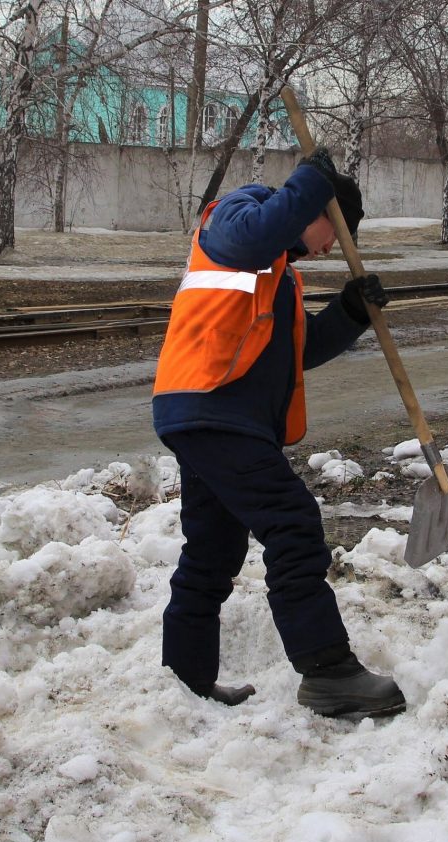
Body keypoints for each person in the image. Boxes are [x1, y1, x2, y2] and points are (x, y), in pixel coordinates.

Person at [152, 148, 406, 721]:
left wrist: (350, 312)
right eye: (332, 235)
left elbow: (299, 350)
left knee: (213, 551)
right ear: (313, 208)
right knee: (292, 525)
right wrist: (309, 184)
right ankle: (328, 673)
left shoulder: (279, 275)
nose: (326, 250)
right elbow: (251, 235)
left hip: (219, 416)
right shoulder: (237, 216)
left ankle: (185, 682)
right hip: (212, 406)